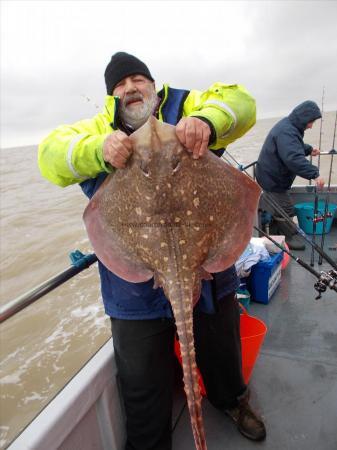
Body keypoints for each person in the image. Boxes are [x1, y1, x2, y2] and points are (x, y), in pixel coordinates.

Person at [38, 52, 266, 449]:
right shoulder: (97, 129)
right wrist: (98, 150)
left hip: (206, 263)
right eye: (120, 85)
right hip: (132, 284)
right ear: (113, 97)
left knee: (222, 350)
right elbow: (50, 156)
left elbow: (241, 102)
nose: (130, 87)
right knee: (142, 380)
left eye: (138, 79)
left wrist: (207, 123)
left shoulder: (188, 105)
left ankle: (232, 400)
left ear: (154, 87)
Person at [256, 100, 325, 250]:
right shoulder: (287, 131)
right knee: (286, 208)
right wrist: (315, 174)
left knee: (278, 206)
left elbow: (294, 146)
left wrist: (309, 149)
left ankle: (275, 233)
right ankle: (287, 238)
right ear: (304, 118)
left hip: (272, 175)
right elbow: (293, 158)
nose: (311, 125)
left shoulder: (290, 127)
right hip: (272, 179)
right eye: (310, 122)